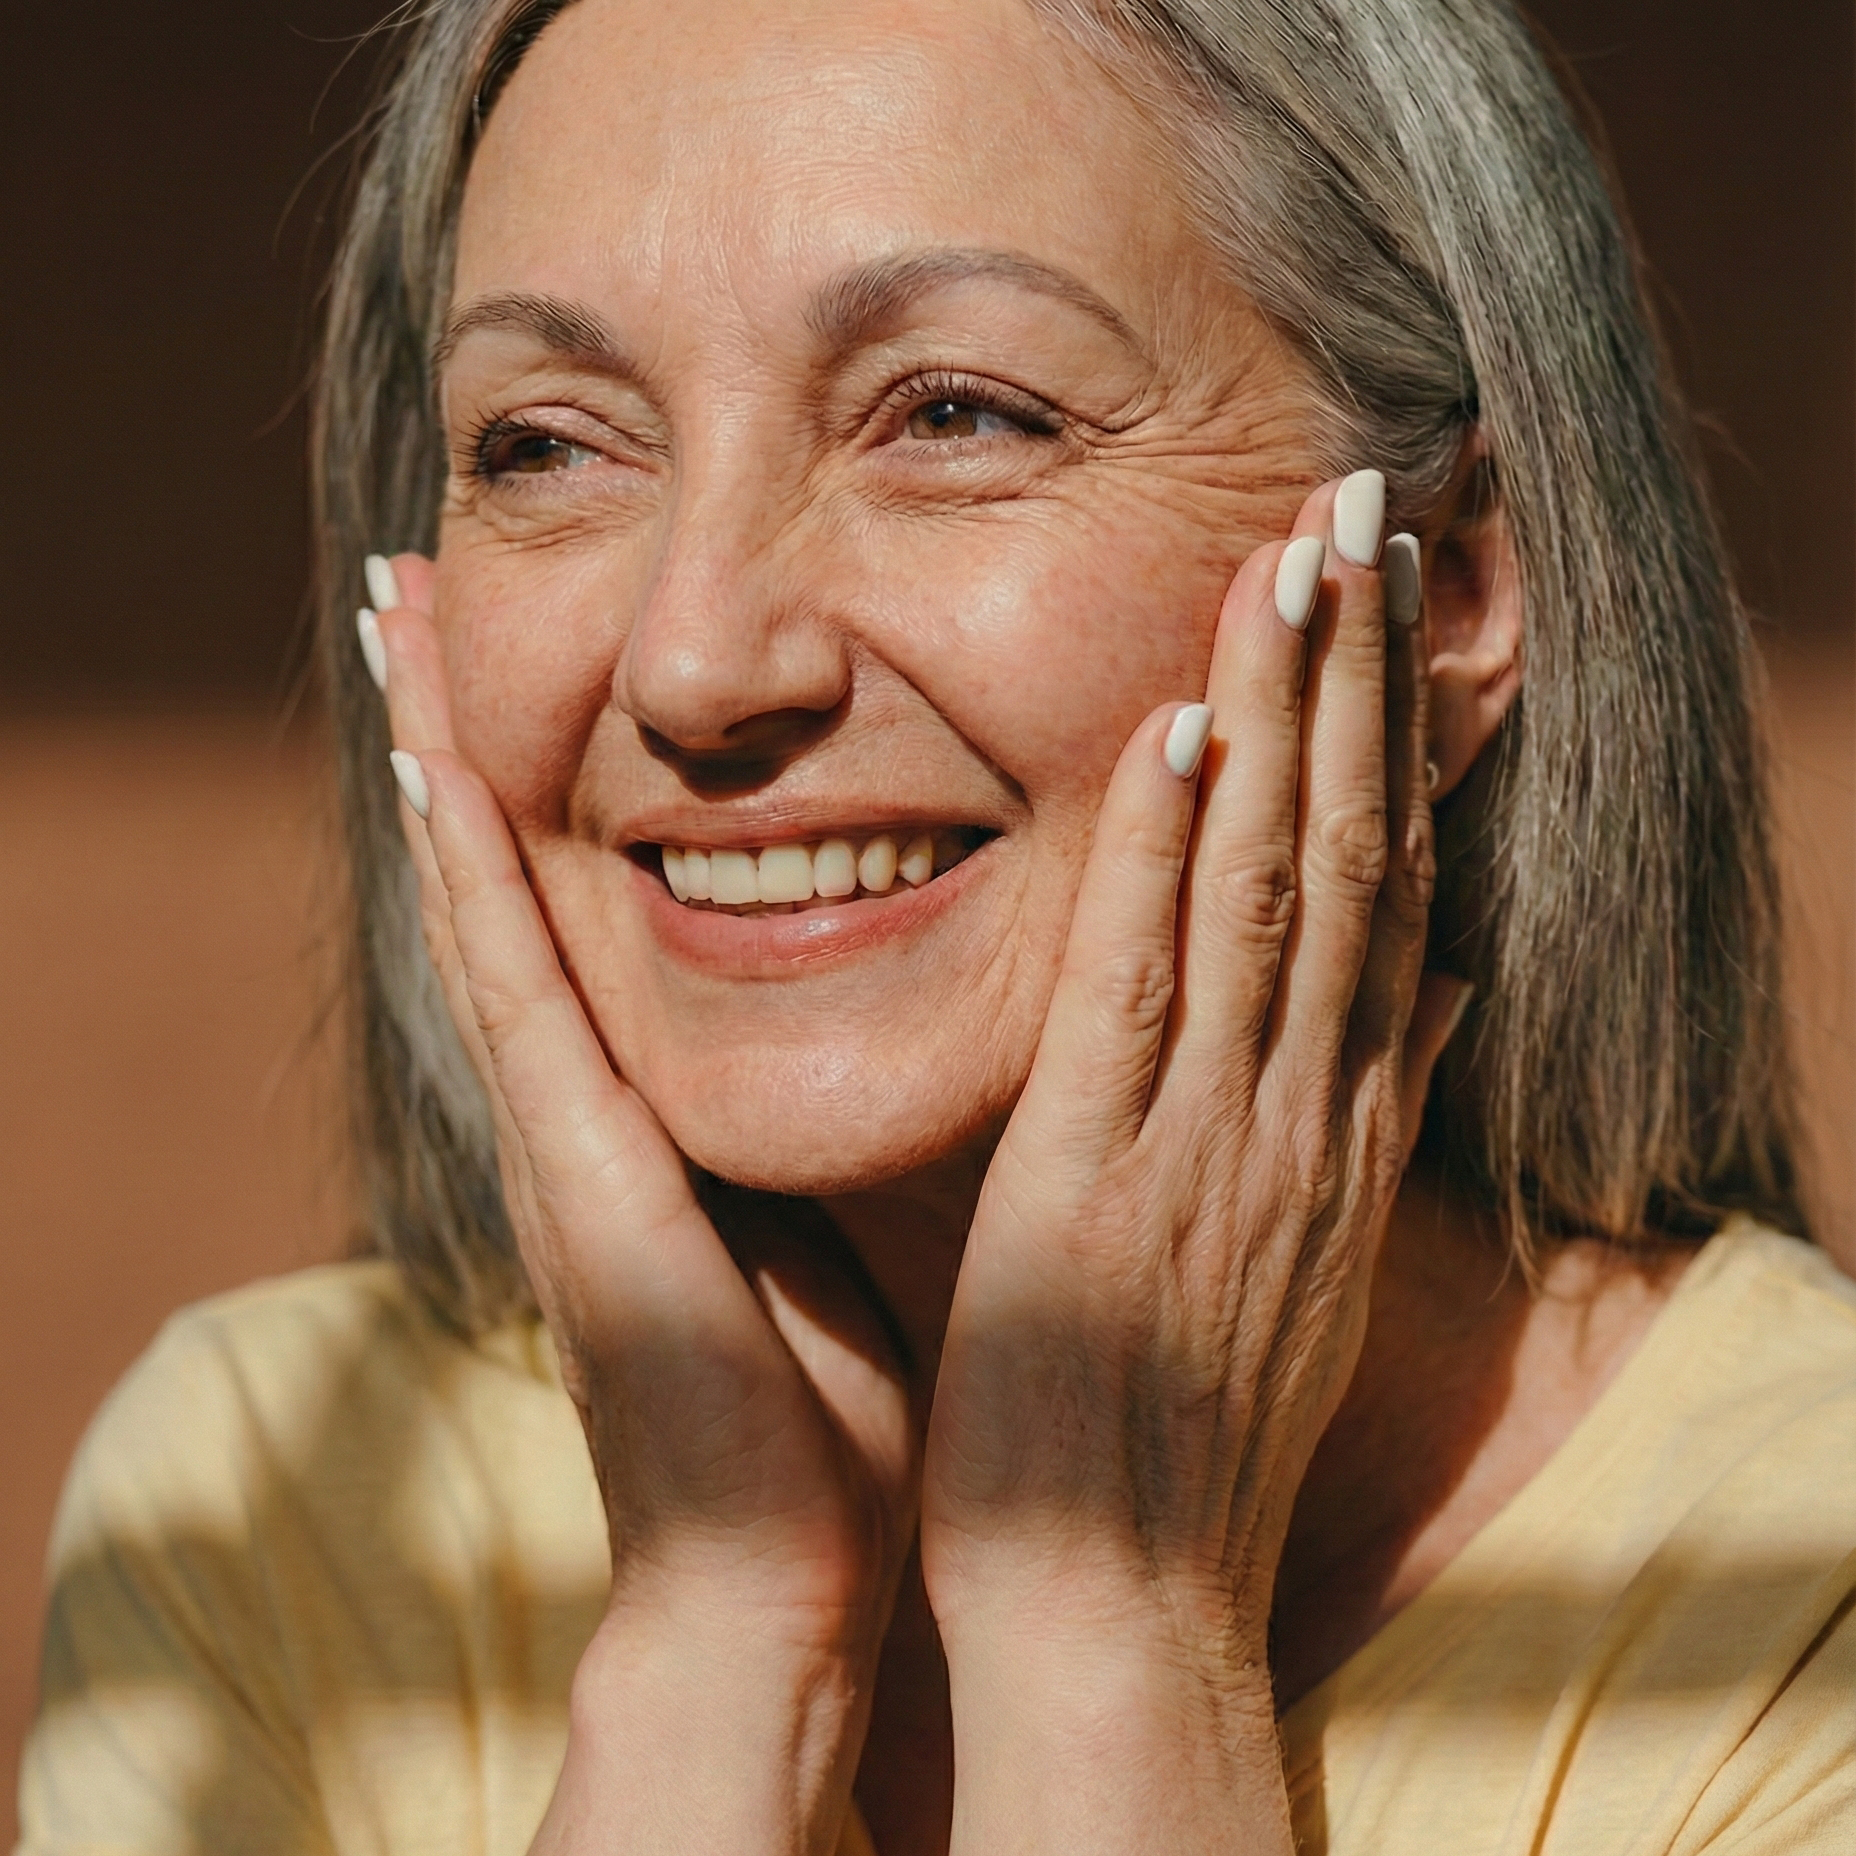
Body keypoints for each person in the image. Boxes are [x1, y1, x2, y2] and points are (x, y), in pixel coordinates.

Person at [18, 0, 1852, 1850]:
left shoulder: (1794, 1603)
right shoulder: (267, 1518)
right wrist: (720, 1645)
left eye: (957, 413)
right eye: (550, 448)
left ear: (1443, 595)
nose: (697, 659)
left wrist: (1113, 1623)